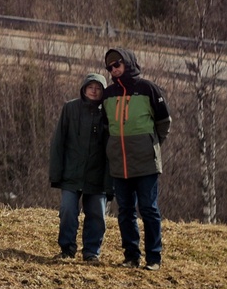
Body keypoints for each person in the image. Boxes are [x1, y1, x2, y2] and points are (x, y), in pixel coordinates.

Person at [102, 47, 171, 269]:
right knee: (125, 211)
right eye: (110, 67)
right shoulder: (108, 94)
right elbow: (105, 125)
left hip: (145, 162)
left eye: (117, 65)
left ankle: (154, 258)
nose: (114, 70)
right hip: (119, 162)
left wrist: (152, 144)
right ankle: (131, 256)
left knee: (149, 209)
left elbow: (164, 121)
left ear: (128, 63)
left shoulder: (147, 88)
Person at [48, 71, 109, 262]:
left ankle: (91, 253)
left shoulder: (108, 113)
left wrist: (111, 183)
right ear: (84, 89)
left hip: (98, 177)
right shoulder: (70, 108)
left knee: (97, 215)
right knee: (67, 211)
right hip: (71, 174)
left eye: (98, 88)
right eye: (90, 87)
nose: (93, 91)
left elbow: (112, 149)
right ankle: (67, 249)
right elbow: (59, 142)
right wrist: (56, 173)